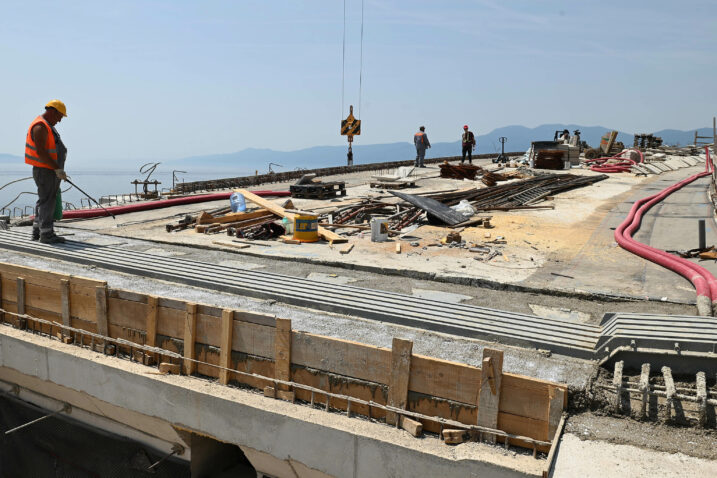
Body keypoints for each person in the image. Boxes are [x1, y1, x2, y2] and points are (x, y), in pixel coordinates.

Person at [25, 100, 69, 244]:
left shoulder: (47, 125)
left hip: (49, 170)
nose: (60, 120)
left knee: (44, 200)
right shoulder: (40, 126)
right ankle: (47, 234)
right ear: (52, 111)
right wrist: (57, 168)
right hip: (45, 171)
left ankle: (38, 232)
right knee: (48, 202)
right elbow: (41, 152)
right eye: (59, 116)